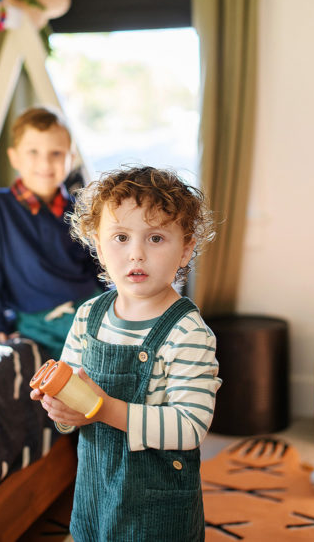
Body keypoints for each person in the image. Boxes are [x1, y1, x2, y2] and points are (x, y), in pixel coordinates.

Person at [31, 165, 220, 541]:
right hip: (96, 489)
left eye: (155, 239)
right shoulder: (89, 316)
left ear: (185, 249)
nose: (136, 253)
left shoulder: (187, 331)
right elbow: (72, 405)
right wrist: (63, 410)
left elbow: (190, 427)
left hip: (158, 504)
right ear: (99, 248)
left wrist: (104, 408)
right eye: (120, 237)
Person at [0, 106, 103, 358]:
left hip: (87, 302)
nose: (45, 163)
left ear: (71, 157)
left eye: (56, 153)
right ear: (14, 158)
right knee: (84, 359)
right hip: (36, 314)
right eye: (33, 152)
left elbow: (96, 263)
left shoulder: (80, 207)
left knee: (128, 335)